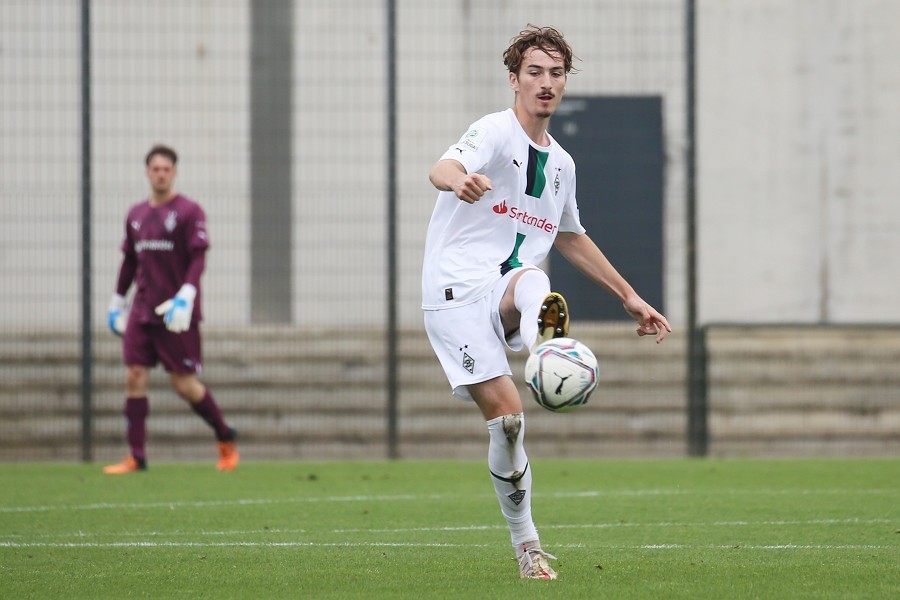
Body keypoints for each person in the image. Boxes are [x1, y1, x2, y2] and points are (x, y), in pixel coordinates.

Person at [422, 25, 670, 580]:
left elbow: (571, 235)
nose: (546, 83)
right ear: (514, 79)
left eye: (556, 73)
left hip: (509, 288)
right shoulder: (494, 131)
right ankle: (527, 543)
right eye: (534, 72)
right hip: (454, 292)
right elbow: (442, 167)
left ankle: (545, 350)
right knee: (508, 422)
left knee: (533, 276)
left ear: (564, 82)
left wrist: (630, 297)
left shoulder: (562, 164)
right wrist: (457, 182)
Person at [103, 144, 239, 474]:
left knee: (184, 385)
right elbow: (130, 260)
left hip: (176, 313)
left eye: (166, 169)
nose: (161, 174)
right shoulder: (136, 215)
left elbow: (198, 256)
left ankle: (224, 435)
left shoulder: (190, 211)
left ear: (175, 172)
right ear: (147, 172)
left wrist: (187, 293)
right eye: (156, 169)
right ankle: (137, 456)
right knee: (134, 375)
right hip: (142, 310)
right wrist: (117, 301)